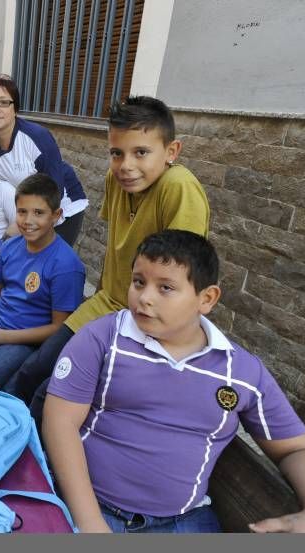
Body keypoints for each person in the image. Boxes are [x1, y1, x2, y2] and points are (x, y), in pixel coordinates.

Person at [43, 230, 305, 533]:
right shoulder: (104, 338)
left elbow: (298, 448)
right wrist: (90, 522)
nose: (144, 297)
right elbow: (60, 421)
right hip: (91, 506)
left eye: (165, 287)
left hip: (182, 521)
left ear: (206, 298)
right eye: (139, 281)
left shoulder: (241, 372)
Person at [13, 95, 211, 411]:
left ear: (171, 151)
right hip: (108, 304)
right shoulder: (115, 180)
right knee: (34, 368)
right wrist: (99, 297)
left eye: (141, 152)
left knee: (50, 394)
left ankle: (36, 456)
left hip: (145, 320)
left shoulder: (179, 187)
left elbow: (181, 278)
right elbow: (115, 247)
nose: (126, 165)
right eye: (117, 153)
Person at [0, 174, 85, 391]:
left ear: (56, 215)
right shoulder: (10, 246)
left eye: (39, 213)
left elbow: (58, 328)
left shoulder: (66, 266)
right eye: (22, 211)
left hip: (21, 341)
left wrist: (1, 337)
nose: (28, 221)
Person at [0, 75, 88, 246]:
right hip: (25, 211)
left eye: (4, 102)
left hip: (59, 206)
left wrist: (26, 223)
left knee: (48, 263)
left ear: (15, 109)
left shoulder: (37, 137)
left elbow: (54, 187)